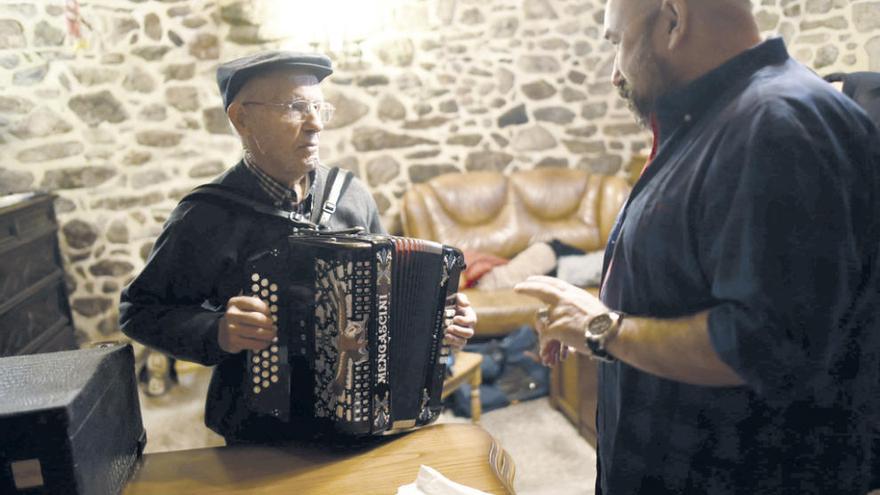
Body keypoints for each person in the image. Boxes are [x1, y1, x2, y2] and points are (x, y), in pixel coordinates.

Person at [515, 0, 880, 493]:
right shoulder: (724, 119)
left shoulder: (776, 121)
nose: (614, 73)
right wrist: (604, 315)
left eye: (618, 42)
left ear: (673, 18)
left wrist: (602, 328)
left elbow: (761, 344)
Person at [120, 51, 476, 444]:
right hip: (262, 430)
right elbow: (140, 311)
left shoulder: (350, 195)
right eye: (294, 107)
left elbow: (390, 299)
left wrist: (439, 321)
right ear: (241, 118)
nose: (316, 124)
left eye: (319, 107)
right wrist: (217, 330)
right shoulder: (206, 215)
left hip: (361, 426)